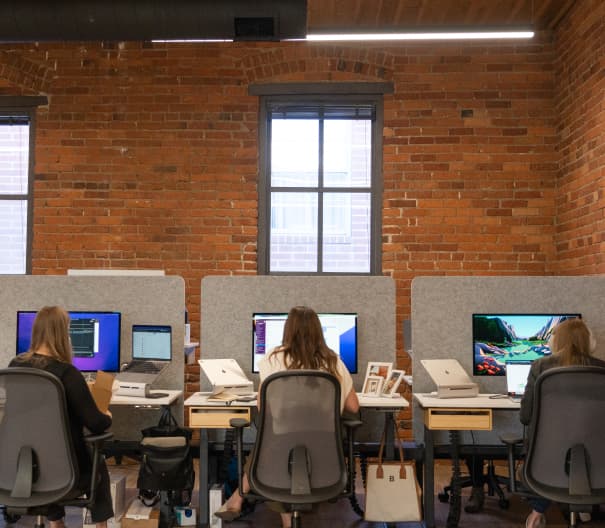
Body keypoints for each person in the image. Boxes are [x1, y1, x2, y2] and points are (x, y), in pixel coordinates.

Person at [215, 305, 360, 528]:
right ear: (318, 331)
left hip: (282, 441)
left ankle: (240, 498)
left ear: (288, 330)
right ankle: (243, 500)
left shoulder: (273, 359)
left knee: (270, 451)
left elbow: (263, 408)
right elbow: (353, 406)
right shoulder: (334, 362)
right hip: (325, 445)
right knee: (275, 450)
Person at [9, 306, 114, 528]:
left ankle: (57, 522)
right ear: (62, 335)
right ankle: (101, 526)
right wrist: (106, 415)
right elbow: (95, 424)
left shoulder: (15, 367)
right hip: (67, 473)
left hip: (22, 469)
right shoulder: (67, 374)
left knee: (45, 448)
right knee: (97, 457)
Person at [521, 318, 605, 528]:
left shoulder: (540, 366)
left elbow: (525, 416)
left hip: (546, 466)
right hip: (598, 466)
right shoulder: (602, 371)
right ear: (591, 343)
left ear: (553, 343)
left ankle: (538, 511)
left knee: (552, 453)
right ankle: (582, 505)